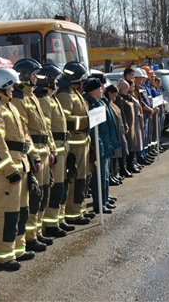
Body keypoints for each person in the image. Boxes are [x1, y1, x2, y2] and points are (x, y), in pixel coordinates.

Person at [0, 68, 37, 271]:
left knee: (21, 212)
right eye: (11, 85)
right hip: (5, 174)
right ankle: (3, 256)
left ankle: (17, 250)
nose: (14, 89)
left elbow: (24, 135)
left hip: (20, 167)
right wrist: (10, 170)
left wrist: (33, 158)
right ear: (3, 86)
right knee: (6, 215)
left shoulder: (8, 106)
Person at [11, 59, 55, 252]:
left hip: (44, 152)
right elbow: (23, 132)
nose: (36, 78)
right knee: (34, 197)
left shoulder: (32, 97)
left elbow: (45, 127)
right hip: (33, 154)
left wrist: (51, 149)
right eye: (33, 74)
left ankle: (37, 233)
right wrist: (32, 156)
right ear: (24, 76)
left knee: (43, 194)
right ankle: (29, 237)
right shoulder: (19, 99)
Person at [35, 64, 77, 238]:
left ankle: (58, 220)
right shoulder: (44, 99)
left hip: (61, 148)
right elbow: (46, 127)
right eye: (56, 79)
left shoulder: (51, 97)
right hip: (55, 150)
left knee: (61, 187)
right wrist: (52, 150)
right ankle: (51, 223)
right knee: (55, 188)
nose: (59, 82)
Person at [54, 61, 94, 228]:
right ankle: (72, 213)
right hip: (74, 145)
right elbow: (66, 121)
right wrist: (87, 120)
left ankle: (79, 209)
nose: (84, 83)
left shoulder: (74, 92)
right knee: (75, 180)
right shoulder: (64, 95)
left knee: (83, 179)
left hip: (82, 144)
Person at [83, 78, 120, 214]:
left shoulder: (99, 102)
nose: (102, 90)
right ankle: (99, 204)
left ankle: (104, 200)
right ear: (93, 91)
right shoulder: (91, 105)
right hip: (99, 147)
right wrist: (99, 147)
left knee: (104, 176)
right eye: (99, 89)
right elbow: (94, 131)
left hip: (105, 143)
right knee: (98, 177)